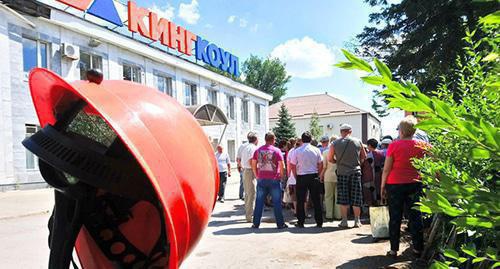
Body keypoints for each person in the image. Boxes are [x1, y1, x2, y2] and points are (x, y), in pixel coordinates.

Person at [381, 116, 428, 258]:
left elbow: (386, 169)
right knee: (415, 216)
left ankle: (393, 250)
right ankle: (418, 249)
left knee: (395, 216)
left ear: (401, 130)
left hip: (394, 185)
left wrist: (382, 185)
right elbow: (436, 163)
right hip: (415, 183)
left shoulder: (394, 145)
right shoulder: (423, 145)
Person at [328, 123, 366, 228]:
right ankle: (357, 221)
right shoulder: (358, 141)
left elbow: (330, 159)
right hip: (355, 172)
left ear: (341, 132)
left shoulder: (334, 143)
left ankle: (344, 221)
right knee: (356, 197)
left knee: (343, 197)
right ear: (350, 131)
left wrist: (338, 162)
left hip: (342, 172)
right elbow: (364, 156)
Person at [251, 132, 288, 229]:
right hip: (274, 179)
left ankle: (256, 223)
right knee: (277, 202)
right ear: (273, 140)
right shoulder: (277, 150)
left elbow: (253, 163)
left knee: (259, 202)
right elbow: (282, 165)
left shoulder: (258, 150)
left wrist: (256, 175)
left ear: (265, 139)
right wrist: (281, 176)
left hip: (261, 179)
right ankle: (280, 224)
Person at [289, 132, 323, 228]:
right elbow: (321, 163)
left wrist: (296, 176)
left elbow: (292, 165)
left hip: (301, 176)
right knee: (316, 200)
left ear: (302, 140)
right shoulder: (316, 150)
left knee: (300, 200)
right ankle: (319, 221)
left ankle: (301, 222)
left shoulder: (297, 151)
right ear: (311, 139)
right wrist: (319, 174)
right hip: (313, 175)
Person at [236, 132, 258, 222]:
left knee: (248, 194)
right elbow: (251, 161)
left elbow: (239, 159)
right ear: (256, 139)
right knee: (251, 193)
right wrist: (256, 173)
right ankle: (250, 216)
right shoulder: (252, 148)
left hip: (246, 170)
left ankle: (248, 215)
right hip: (250, 171)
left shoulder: (245, 147)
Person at [320, 135, 340, 221]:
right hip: (339, 176)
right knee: (338, 196)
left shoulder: (325, 152)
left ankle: (329, 215)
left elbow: (324, 166)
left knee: (328, 196)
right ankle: (338, 215)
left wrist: (321, 175)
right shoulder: (340, 152)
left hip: (328, 176)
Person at [367, 138, 385, 203]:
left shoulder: (369, 154)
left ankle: (374, 203)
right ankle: (380, 202)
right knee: (379, 188)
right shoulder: (381, 153)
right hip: (380, 173)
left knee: (372, 189)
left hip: (371, 174)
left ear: (369, 145)